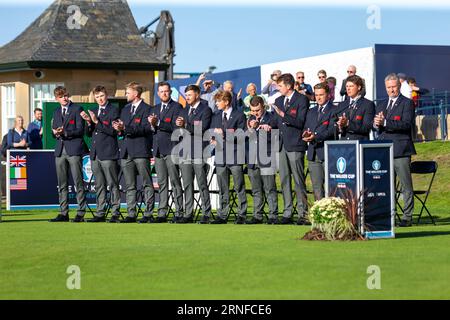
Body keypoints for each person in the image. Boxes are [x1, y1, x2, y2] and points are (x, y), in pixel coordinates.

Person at [373, 73, 416, 227]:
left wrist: (385, 122)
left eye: (394, 87)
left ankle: (407, 216)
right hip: (384, 150)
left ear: (399, 86)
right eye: (389, 87)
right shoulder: (381, 104)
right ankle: (389, 215)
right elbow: (378, 127)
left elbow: (406, 124)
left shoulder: (407, 103)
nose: (391, 90)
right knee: (386, 185)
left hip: (401, 149)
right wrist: (376, 124)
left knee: (405, 186)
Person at [112, 82, 155, 223]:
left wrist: (126, 128)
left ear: (135, 94)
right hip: (126, 151)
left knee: (147, 183)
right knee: (130, 185)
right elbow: (123, 130)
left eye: (127, 92)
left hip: (141, 150)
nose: (125, 95)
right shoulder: (124, 109)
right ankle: (131, 214)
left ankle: (148, 213)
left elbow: (146, 129)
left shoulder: (148, 109)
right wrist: (118, 128)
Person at [272, 73, 310, 225]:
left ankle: (303, 213)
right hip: (281, 145)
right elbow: (275, 121)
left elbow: (301, 122)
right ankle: (287, 213)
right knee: (284, 180)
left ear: (288, 86)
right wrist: (268, 124)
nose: (278, 88)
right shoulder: (278, 100)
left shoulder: (302, 99)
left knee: (298, 180)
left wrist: (283, 115)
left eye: (280, 86)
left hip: (295, 144)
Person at [80, 86, 121, 223]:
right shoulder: (95, 110)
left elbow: (113, 131)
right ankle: (100, 212)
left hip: (108, 152)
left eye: (102, 96)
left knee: (113, 184)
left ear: (107, 95)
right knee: (99, 185)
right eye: (97, 97)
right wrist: (88, 122)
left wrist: (97, 122)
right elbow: (89, 133)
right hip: (95, 153)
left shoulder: (114, 110)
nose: (100, 99)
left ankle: (115, 212)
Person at [209, 90, 247, 224]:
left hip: (235, 155)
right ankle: (222, 215)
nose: (217, 103)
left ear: (226, 102)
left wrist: (224, 134)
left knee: (239, 186)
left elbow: (241, 135)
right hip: (220, 155)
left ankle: (241, 214)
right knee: (223, 187)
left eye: (219, 101)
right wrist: (213, 139)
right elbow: (213, 133)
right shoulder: (216, 116)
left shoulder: (239, 115)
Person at [175, 85, 213, 223]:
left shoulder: (206, 110)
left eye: (190, 95)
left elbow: (201, 129)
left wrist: (185, 125)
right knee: (187, 184)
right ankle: (188, 214)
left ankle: (206, 214)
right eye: (186, 95)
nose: (187, 97)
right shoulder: (184, 110)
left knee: (202, 183)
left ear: (197, 95)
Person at [49, 87, 87, 223]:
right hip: (60, 150)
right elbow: (52, 133)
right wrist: (55, 133)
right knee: (62, 184)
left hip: (74, 149)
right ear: (56, 99)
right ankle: (63, 212)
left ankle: (81, 212)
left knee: (78, 182)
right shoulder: (56, 111)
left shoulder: (77, 108)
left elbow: (80, 130)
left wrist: (65, 132)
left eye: (65, 95)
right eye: (61, 97)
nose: (64, 98)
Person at [149, 82, 184, 223]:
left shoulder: (177, 107)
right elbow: (152, 129)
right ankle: (162, 213)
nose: (164, 93)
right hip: (157, 150)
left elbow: (176, 128)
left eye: (166, 91)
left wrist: (157, 124)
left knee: (175, 182)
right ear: (158, 93)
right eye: (161, 91)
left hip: (172, 150)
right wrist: (152, 125)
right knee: (162, 183)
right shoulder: (155, 108)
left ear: (170, 92)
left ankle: (179, 212)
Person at [246, 96, 279, 224]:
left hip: (267, 156)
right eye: (253, 111)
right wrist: (250, 128)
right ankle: (257, 215)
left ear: (263, 107)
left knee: (269, 187)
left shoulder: (272, 118)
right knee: (256, 189)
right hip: (252, 158)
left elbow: (276, 137)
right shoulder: (249, 119)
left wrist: (266, 129)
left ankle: (273, 215)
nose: (255, 113)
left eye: (257, 110)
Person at [302, 83, 336, 201]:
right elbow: (306, 127)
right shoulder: (311, 111)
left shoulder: (334, 110)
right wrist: (305, 134)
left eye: (321, 94)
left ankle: (332, 213)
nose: (318, 97)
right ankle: (320, 214)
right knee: (317, 188)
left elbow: (332, 130)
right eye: (316, 95)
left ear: (328, 95)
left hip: (327, 153)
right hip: (313, 153)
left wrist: (315, 136)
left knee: (331, 187)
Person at [334, 75, 375, 141]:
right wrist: (339, 126)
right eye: (347, 86)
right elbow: (335, 125)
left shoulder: (368, 104)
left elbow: (366, 127)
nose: (348, 89)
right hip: (343, 145)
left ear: (359, 87)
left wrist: (347, 123)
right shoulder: (342, 105)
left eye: (351, 86)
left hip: (359, 144)